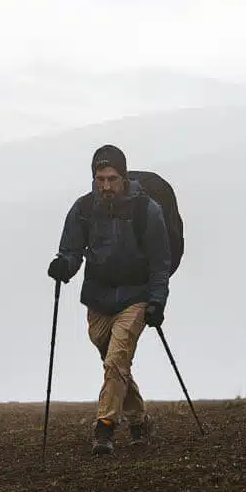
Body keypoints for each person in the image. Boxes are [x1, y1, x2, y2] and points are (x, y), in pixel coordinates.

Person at [48, 144, 171, 456]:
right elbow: (72, 251)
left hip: (136, 296)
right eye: (100, 179)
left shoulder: (147, 211)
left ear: (124, 177)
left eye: (112, 179)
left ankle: (104, 429)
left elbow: (160, 263)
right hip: (98, 300)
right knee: (114, 363)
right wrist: (64, 265)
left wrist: (157, 302)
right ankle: (140, 421)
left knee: (116, 360)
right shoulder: (83, 209)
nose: (106, 185)